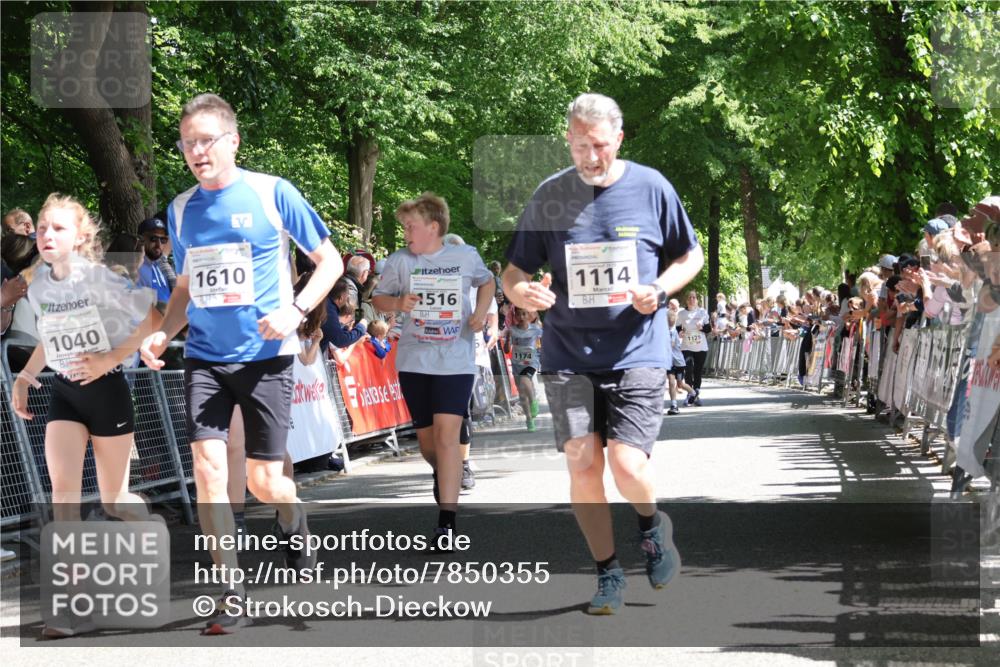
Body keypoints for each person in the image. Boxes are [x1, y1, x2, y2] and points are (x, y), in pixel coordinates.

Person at [138, 93, 342, 635]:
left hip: (266, 357)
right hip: (205, 358)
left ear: (233, 140)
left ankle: (293, 518)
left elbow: (330, 262)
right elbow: (184, 286)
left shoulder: (274, 193)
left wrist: (295, 310)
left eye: (206, 140)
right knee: (207, 470)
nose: (196, 151)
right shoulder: (180, 210)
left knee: (264, 483)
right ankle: (231, 592)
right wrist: (163, 333)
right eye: (187, 143)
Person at [502, 93, 701, 614]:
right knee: (583, 465)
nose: (590, 156)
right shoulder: (549, 195)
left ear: (618, 139)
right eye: (579, 145)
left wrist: (659, 288)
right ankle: (608, 573)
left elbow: (690, 254)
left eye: (599, 145)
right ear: (567, 140)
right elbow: (514, 270)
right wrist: (520, 292)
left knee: (627, 463)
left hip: (637, 347)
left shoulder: (652, 187)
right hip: (567, 352)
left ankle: (652, 526)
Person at [10, 194, 161, 638]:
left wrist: (106, 358)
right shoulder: (36, 284)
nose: (47, 236)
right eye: (41, 228)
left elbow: (153, 321)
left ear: (82, 236)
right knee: (64, 503)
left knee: (114, 501)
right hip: (63, 395)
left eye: (58, 228)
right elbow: (47, 338)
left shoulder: (98, 279)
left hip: (108, 391)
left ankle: (147, 524)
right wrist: (24, 377)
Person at [371, 192, 493, 548]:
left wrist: (481, 313)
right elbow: (378, 299)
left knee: (446, 436)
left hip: (455, 360)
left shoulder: (465, 256)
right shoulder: (399, 261)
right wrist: (397, 302)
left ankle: (447, 523)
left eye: (411, 226)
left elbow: (487, 282)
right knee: (429, 445)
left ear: (433, 227)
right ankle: (446, 471)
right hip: (414, 360)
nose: (405, 232)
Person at [504, 306, 544, 431]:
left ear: (528, 315)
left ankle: (533, 402)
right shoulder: (511, 330)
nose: (521, 317)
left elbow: (545, 341)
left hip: (531, 361)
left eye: (524, 314)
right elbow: (506, 350)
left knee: (525, 379)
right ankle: (529, 419)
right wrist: (508, 340)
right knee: (522, 393)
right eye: (519, 315)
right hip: (517, 363)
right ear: (515, 316)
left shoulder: (536, 329)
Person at [678, 290, 710, 406]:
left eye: (694, 297)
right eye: (690, 297)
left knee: (697, 371)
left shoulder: (702, 312)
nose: (692, 299)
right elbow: (677, 328)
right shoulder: (681, 314)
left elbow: (708, 328)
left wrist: (702, 328)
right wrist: (680, 332)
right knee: (688, 369)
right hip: (687, 346)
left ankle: (696, 393)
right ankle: (690, 393)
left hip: (701, 347)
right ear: (687, 300)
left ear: (697, 300)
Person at [320, 278, 368, 351]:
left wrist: (346, 329)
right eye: (347, 296)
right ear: (341, 298)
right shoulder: (329, 309)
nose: (347, 299)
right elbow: (341, 340)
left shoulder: (325, 300)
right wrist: (361, 327)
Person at [135, 217, 173, 305]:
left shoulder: (159, 265)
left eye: (163, 240)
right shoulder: (136, 269)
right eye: (153, 239)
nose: (159, 244)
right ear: (141, 240)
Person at [666, 309, 695, 415]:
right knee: (671, 382)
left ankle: (693, 392)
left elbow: (672, 344)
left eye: (672, 318)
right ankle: (674, 405)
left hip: (679, 362)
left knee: (680, 384)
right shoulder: (665, 330)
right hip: (669, 362)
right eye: (669, 318)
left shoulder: (672, 331)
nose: (670, 320)